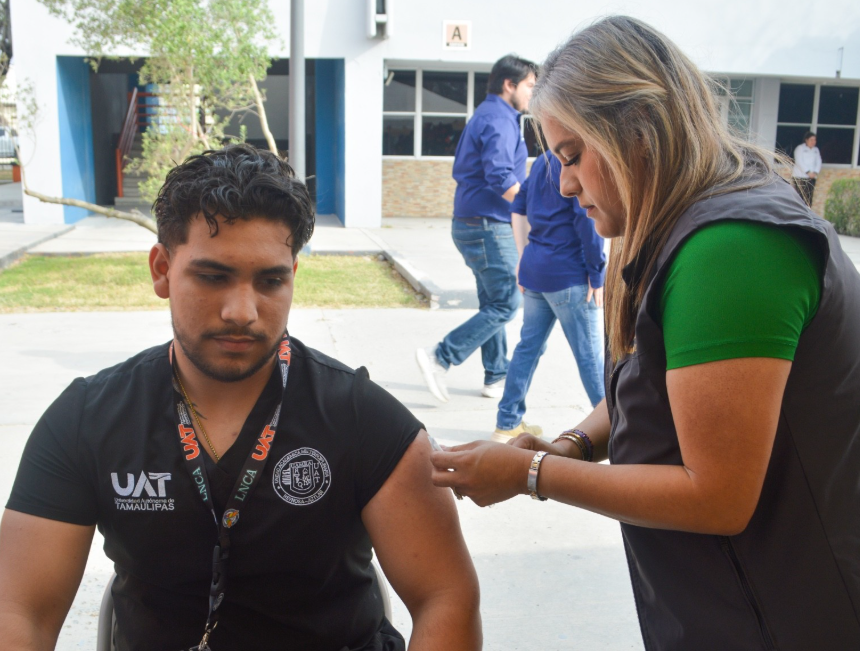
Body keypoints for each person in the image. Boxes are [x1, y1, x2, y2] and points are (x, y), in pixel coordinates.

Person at [430, 16, 860, 650]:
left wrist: (533, 476)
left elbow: (717, 496)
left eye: (573, 156)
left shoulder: (731, 249)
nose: (565, 182)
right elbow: (652, 380)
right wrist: (573, 443)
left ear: (638, 132)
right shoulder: (690, 220)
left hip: (783, 615)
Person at [0, 145, 481, 651]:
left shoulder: (367, 422)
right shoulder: (85, 421)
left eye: (271, 280)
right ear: (162, 269)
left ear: (294, 274)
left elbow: (446, 597)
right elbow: (19, 613)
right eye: (213, 277)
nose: (242, 311)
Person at [416, 55, 537, 403]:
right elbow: (500, 175)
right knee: (506, 303)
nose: (533, 93)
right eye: (529, 85)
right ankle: (440, 356)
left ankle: (495, 375)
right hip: (487, 225)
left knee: (492, 300)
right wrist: (535, 208)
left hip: (475, 222)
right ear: (508, 85)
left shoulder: (492, 116)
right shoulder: (498, 120)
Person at [492, 152, 605, 443]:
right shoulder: (575, 163)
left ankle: (506, 424)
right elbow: (586, 220)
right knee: (589, 357)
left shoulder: (542, 161)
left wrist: (522, 258)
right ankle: (618, 428)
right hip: (569, 275)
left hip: (536, 272)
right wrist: (597, 273)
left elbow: (517, 208)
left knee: (528, 348)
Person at [791, 131, 822, 207]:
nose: (813, 142)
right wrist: (808, 172)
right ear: (806, 140)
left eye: (814, 140)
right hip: (800, 177)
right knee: (800, 197)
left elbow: (819, 161)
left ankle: (808, 214)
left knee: (809, 197)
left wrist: (815, 172)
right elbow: (799, 161)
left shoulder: (816, 150)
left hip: (811, 177)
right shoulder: (800, 148)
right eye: (811, 140)